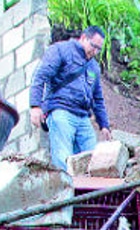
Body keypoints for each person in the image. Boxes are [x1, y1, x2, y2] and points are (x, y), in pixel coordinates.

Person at [29, 26, 112, 171]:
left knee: (93, 160)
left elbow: (97, 99)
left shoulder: (94, 67)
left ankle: (89, 192)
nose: (95, 51)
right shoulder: (61, 50)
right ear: (84, 38)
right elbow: (41, 76)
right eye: (94, 46)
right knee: (63, 159)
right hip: (61, 111)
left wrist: (104, 125)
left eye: (99, 49)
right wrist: (35, 106)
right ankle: (66, 191)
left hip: (83, 117)